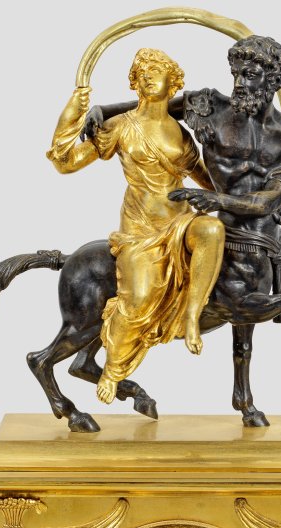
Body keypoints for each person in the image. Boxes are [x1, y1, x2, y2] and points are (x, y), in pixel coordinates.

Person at [48, 48, 225, 404]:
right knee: (138, 298)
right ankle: (112, 369)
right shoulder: (121, 126)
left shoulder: (180, 135)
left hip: (180, 222)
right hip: (141, 229)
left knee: (212, 230)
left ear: (173, 82)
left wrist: (256, 194)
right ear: (135, 82)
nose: (147, 76)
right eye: (141, 72)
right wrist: (73, 111)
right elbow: (66, 163)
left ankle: (192, 316)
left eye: (156, 70)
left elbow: (211, 183)